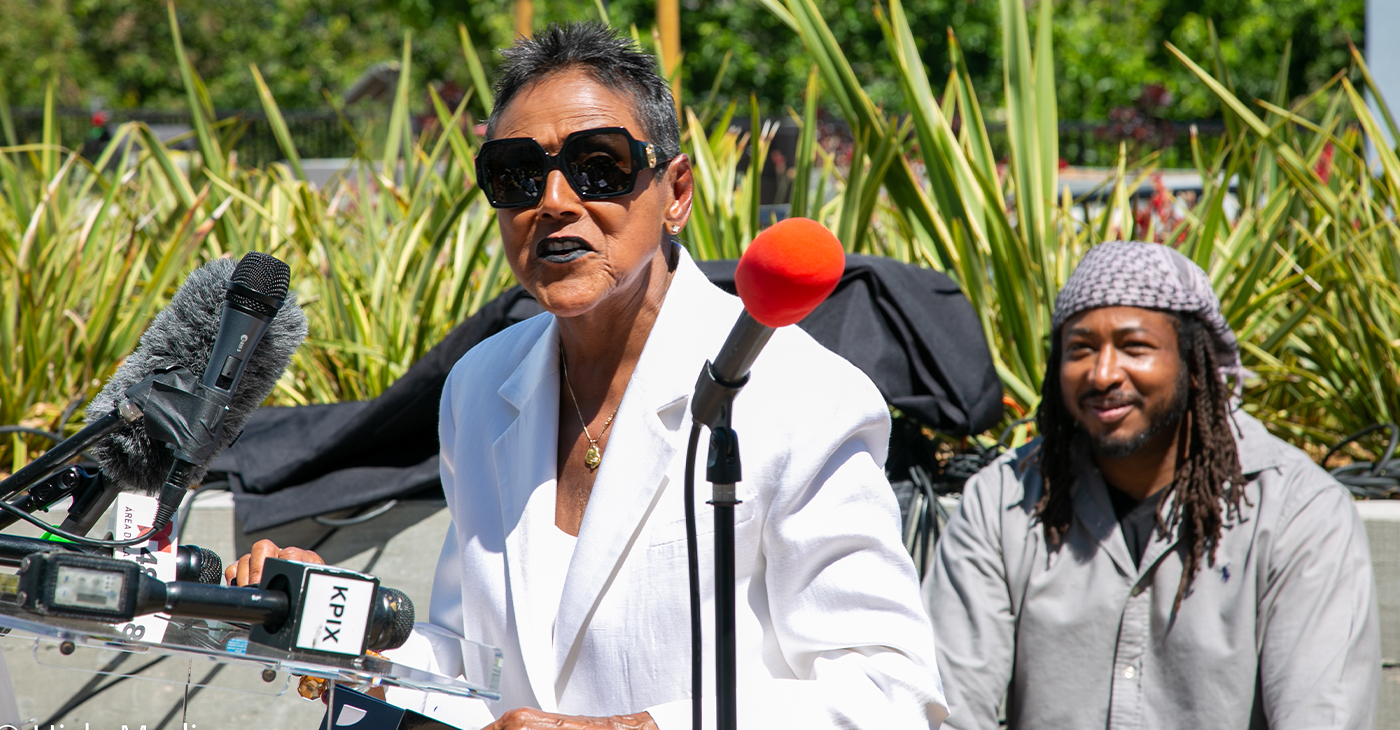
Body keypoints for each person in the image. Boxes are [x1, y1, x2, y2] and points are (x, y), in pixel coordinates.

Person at [227, 22, 946, 730]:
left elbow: (889, 692)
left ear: (678, 192)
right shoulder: (479, 387)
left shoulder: (799, 395)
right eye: (517, 173)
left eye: (599, 165)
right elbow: (477, 670)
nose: (556, 201)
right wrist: (332, 625)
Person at [927, 240, 1380, 729]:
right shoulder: (1004, 502)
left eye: (1134, 346)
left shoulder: (1297, 512)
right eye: (1081, 349)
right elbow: (946, 705)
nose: (1102, 373)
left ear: (1193, 363)